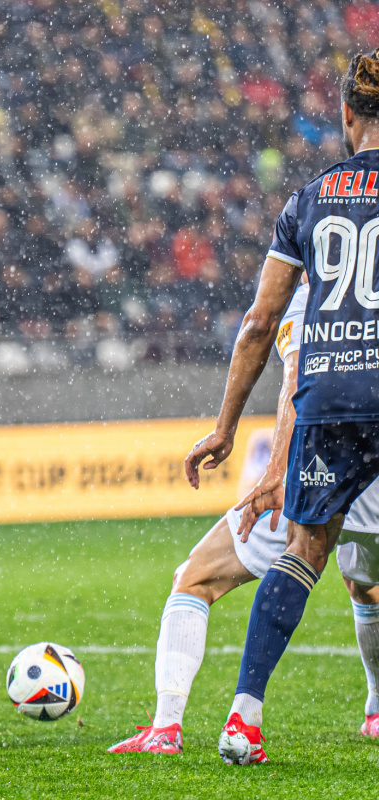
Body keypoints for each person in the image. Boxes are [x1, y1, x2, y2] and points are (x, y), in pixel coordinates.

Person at [185, 50, 379, 765]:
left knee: (304, 553)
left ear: (346, 116)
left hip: (331, 393)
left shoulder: (309, 198)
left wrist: (226, 428)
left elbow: (260, 324)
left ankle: (243, 717)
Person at [109, 279, 379, 757]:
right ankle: (376, 712)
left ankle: (167, 729)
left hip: (317, 465)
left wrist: (275, 471)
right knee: (366, 584)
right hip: (373, 473)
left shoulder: (313, 289)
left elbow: (296, 378)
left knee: (195, 578)